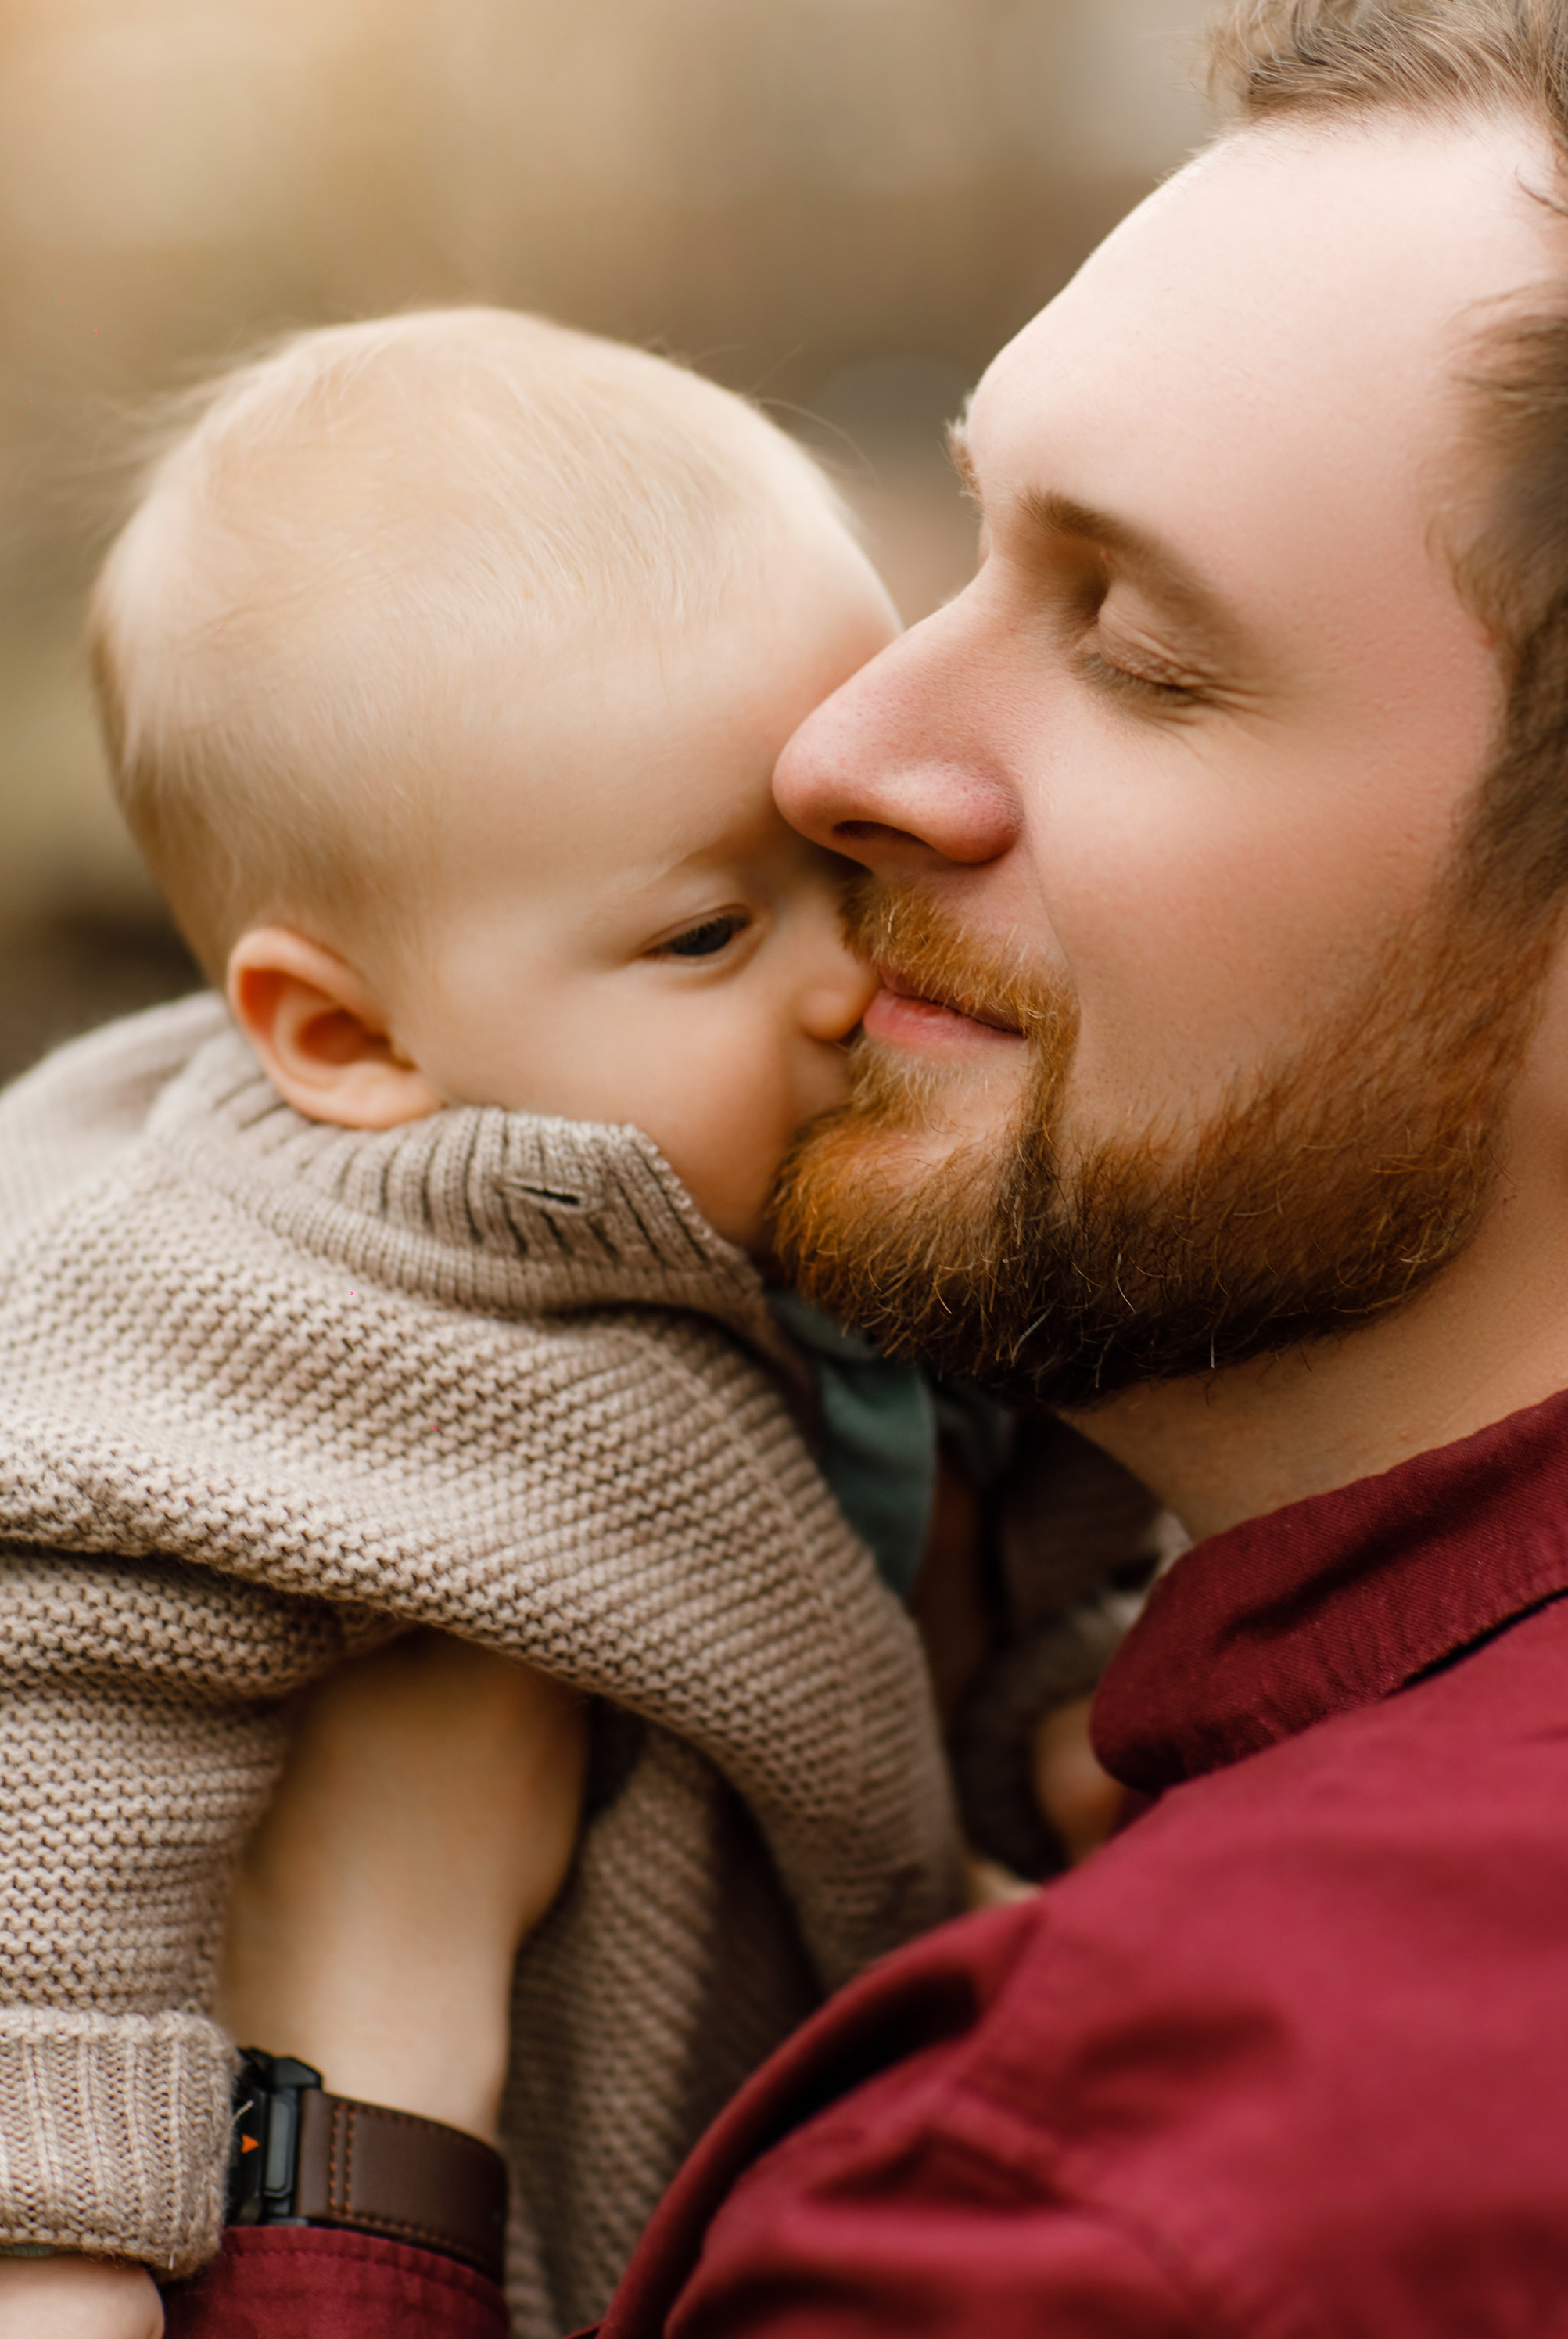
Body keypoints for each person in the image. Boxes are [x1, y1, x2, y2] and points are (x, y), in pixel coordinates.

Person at [130, 0, 1568, 2333]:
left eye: (1132, 647)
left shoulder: (1104, 2206)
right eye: (968, 546)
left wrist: (356, 2085)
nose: (842, 754)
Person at [0, 314, 1151, 2339]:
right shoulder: (222, 1331)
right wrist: (59, 2253)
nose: (840, 984)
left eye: (843, 866)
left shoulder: (780, 1175)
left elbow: (1006, 1461)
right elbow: (49, 1771)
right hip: (458, 2223)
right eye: (710, 931)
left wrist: (1070, 1695)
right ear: (347, 1037)